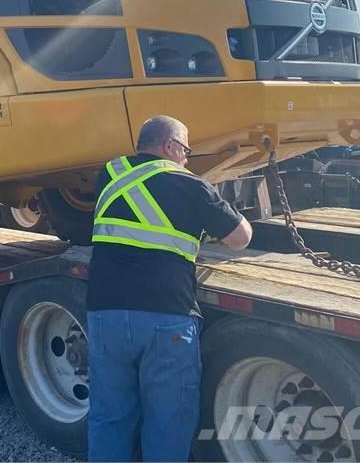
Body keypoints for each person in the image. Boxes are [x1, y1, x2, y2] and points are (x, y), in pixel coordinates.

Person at [87, 115, 252, 462]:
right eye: (186, 150)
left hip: (106, 313)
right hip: (166, 317)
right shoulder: (191, 185)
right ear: (170, 146)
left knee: (110, 417)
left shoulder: (109, 175)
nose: (187, 159)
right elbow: (240, 239)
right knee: (168, 423)